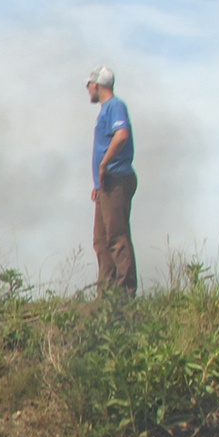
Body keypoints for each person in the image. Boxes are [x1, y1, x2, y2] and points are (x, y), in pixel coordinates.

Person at [87, 66, 137, 296]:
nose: (87, 89)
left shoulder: (115, 107)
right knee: (101, 240)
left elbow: (122, 134)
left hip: (116, 179)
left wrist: (104, 164)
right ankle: (106, 293)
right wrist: (98, 183)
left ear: (97, 85)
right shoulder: (106, 110)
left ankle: (125, 293)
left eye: (89, 84)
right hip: (106, 184)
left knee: (116, 236)